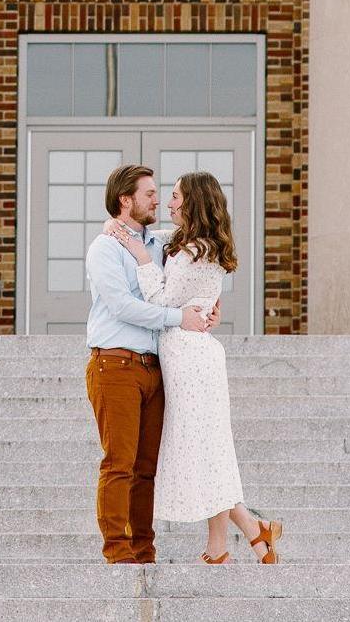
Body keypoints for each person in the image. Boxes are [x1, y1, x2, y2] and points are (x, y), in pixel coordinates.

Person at [105, 171, 283, 565]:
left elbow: (160, 299)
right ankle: (235, 541)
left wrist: (139, 257)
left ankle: (250, 533)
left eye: (174, 197)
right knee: (209, 449)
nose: (168, 204)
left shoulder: (190, 254)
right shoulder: (201, 245)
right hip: (195, 353)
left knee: (203, 449)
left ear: (193, 203)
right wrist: (118, 226)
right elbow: (165, 239)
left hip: (187, 357)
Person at [84, 164, 216, 565]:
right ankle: (117, 551)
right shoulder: (103, 249)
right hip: (115, 365)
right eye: (150, 194)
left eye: (161, 194)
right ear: (126, 200)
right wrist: (181, 318)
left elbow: (201, 248)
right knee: (119, 462)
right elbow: (124, 306)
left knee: (146, 468)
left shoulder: (160, 244)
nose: (158, 200)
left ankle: (143, 549)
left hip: (156, 368)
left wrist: (208, 304)